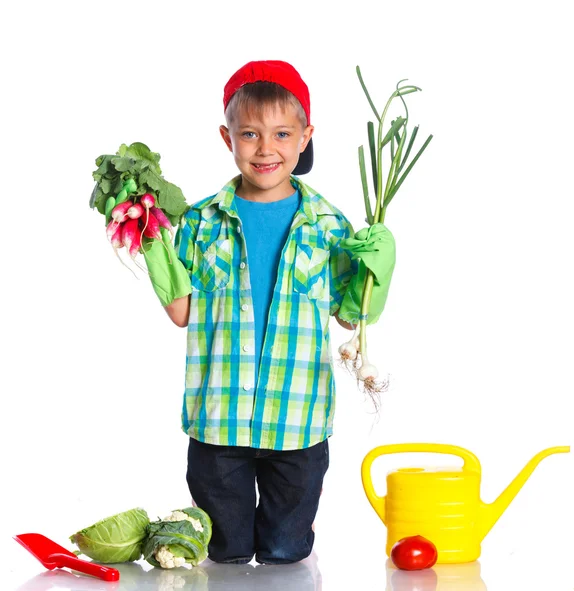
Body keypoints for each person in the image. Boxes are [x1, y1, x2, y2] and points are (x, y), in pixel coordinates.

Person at [142, 60, 395, 565]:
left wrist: (378, 274)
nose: (265, 148)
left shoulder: (328, 225)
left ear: (305, 137)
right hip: (218, 420)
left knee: (285, 551)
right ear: (227, 137)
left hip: (296, 419)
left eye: (282, 133)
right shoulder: (199, 221)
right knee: (227, 552)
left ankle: (291, 529)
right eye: (250, 134)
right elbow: (182, 312)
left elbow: (349, 317)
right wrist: (150, 242)